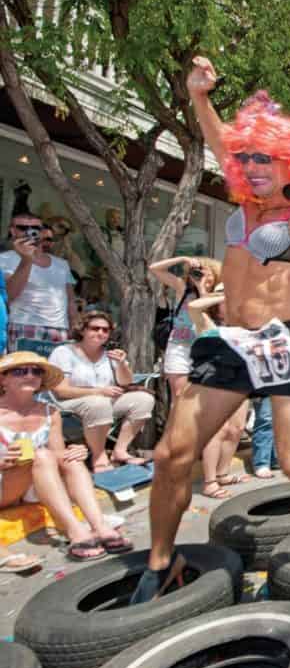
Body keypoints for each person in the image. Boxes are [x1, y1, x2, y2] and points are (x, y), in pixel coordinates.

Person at [130, 56, 290, 605]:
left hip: (285, 340)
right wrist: (199, 97)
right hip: (232, 342)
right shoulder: (244, 203)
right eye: (247, 158)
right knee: (174, 454)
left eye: (266, 157)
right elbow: (220, 141)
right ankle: (161, 561)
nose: (252, 164)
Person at [0, 352, 131, 561]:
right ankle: (75, 531)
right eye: (20, 371)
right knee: (43, 455)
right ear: (3, 378)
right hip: (4, 486)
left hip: (35, 482)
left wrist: (76, 451)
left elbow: (57, 453)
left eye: (36, 371)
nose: (30, 375)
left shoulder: (49, 411)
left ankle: (99, 526)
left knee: (68, 458)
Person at [48, 311, 156, 472]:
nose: (100, 333)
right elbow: (61, 391)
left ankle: (120, 451)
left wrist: (121, 364)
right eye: (95, 328)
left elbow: (126, 382)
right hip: (69, 402)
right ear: (82, 330)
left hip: (105, 401)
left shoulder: (109, 353)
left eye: (105, 330)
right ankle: (98, 457)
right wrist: (98, 391)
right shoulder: (64, 352)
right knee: (99, 403)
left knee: (144, 399)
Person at [187, 284, 253, 498]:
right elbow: (194, 306)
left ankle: (223, 473)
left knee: (236, 429)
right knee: (217, 430)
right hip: (214, 383)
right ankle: (210, 481)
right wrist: (222, 295)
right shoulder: (206, 322)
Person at [0, 211, 78, 356]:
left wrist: (75, 326)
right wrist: (26, 259)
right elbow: (9, 296)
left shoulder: (61, 264)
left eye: (35, 228)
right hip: (23, 327)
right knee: (23, 376)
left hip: (60, 329)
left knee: (55, 376)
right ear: (12, 230)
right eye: (23, 228)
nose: (29, 231)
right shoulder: (4, 260)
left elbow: (71, 300)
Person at [149, 256, 222, 398]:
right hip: (179, 348)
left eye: (208, 274)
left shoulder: (219, 295)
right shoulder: (183, 289)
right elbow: (154, 268)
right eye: (199, 273)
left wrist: (202, 288)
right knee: (179, 396)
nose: (203, 277)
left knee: (202, 399)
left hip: (207, 351)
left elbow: (205, 312)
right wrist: (183, 259)